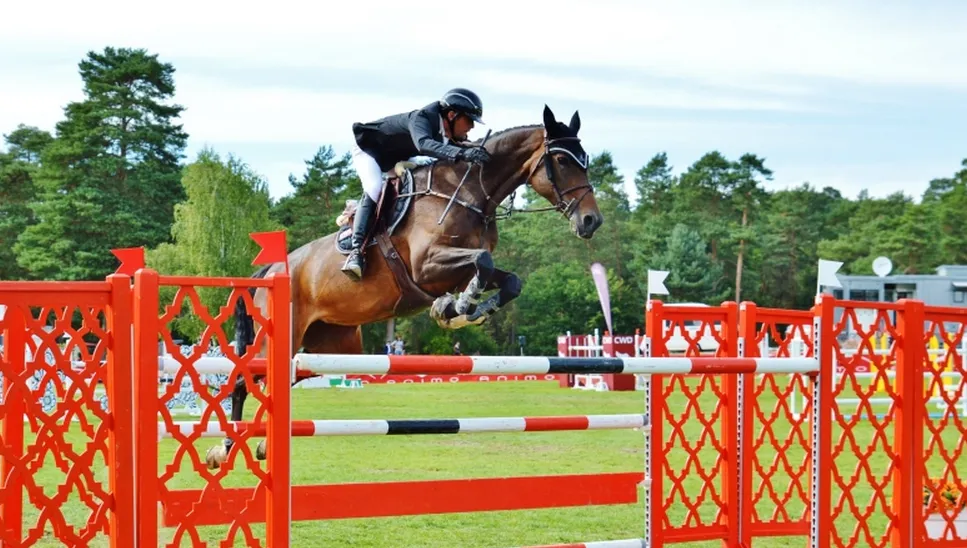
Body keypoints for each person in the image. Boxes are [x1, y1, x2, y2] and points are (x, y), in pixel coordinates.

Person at [341, 88, 493, 280]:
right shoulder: (421, 118)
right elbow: (424, 145)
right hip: (370, 150)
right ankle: (356, 251)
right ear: (452, 115)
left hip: (397, 156)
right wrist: (463, 153)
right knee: (374, 188)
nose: (471, 126)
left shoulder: (445, 131)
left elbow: (455, 149)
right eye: (469, 120)